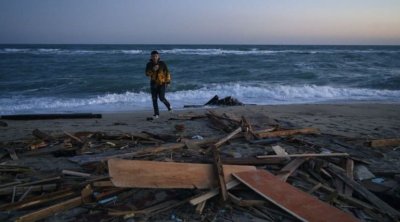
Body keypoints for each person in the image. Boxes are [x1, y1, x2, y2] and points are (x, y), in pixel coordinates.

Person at [145, 50, 172, 118]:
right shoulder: (149, 64)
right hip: (153, 83)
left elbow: (167, 73)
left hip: (162, 83)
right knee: (154, 99)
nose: (154, 57)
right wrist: (153, 69)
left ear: (158, 56)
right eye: (153, 56)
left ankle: (169, 106)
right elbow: (147, 74)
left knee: (161, 98)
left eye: (156, 56)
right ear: (151, 57)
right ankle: (156, 114)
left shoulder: (162, 63)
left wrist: (168, 82)